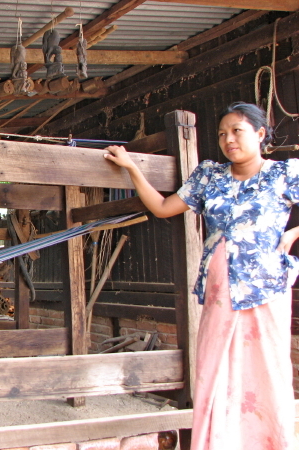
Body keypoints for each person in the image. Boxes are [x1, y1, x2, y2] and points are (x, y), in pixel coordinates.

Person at [103, 102, 297, 450]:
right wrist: (132, 167)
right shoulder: (210, 175)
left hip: (265, 289)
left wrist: (293, 234)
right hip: (220, 291)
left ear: (260, 134)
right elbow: (163, 208)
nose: (228, 140)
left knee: (267, 369)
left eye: (237, 131)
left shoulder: (285, 174)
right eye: (222, 134)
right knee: (213, 369)